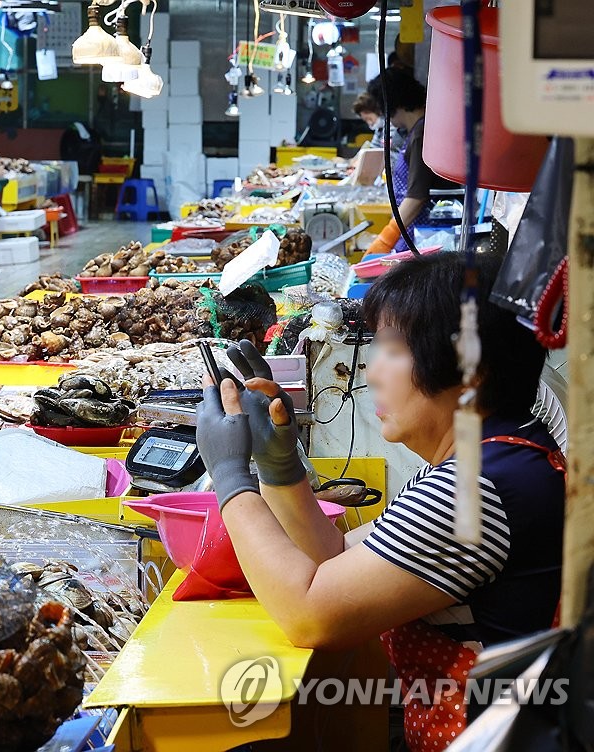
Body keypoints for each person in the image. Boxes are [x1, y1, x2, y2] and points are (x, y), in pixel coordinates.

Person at [195, 252, 564, 752]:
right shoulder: (497, 458)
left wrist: (231, 477)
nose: (371, 372)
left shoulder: (473, 490)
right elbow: (334, 561)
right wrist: (280, 467)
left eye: (392, 348)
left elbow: (310, 615)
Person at [365, 68, 457, 254]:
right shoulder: (419, 129)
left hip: (424, 239)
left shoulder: (421, 134)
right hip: (416, 235)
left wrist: (386, 238)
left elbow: (416, 197)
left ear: (391, 104)